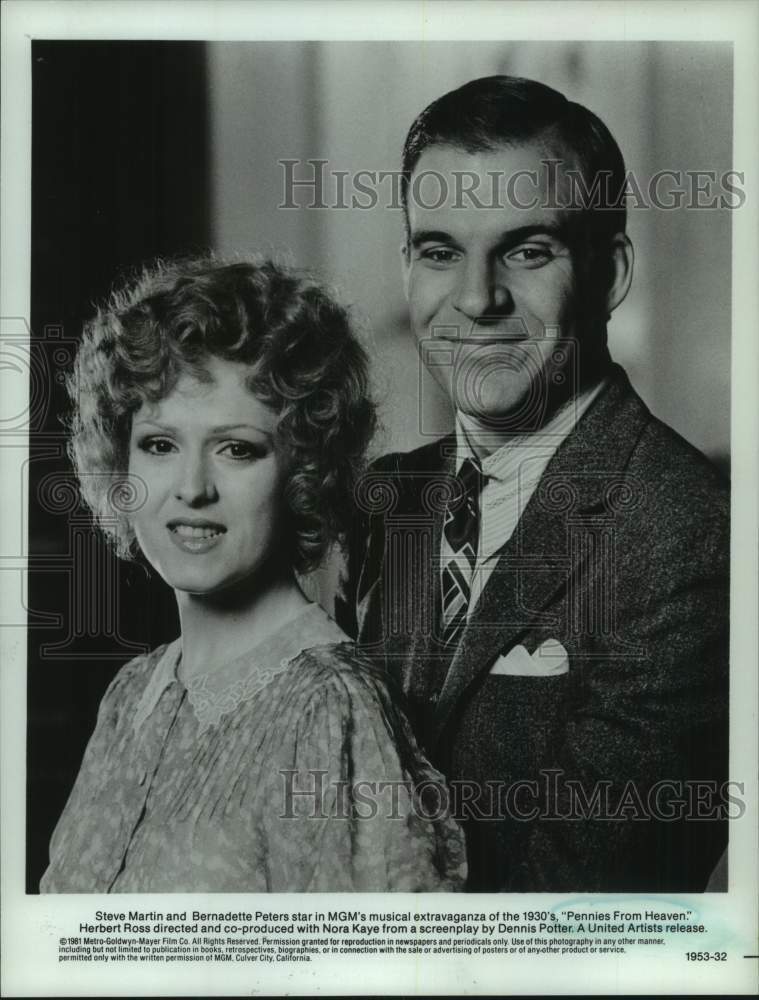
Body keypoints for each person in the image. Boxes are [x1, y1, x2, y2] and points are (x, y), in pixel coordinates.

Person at [336, 75, 729, 892]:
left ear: (609, 273)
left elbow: (580, 913)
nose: (476, 300)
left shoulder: (687, 531)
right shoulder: (384, 499)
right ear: (408, 268)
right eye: (440, 252)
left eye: (526, 249)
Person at [40, 255, 466, 893]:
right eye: (160, 444)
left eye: (236, 449)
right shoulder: (131, 695)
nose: (191, 488)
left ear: (302, 471)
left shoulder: (330, 708)